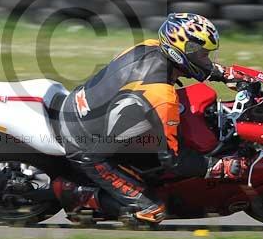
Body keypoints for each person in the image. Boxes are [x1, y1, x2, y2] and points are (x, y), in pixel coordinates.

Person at [56, 12, 252, 225]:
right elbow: (173, 161)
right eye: (202, 54)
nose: (206, 59)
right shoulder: (162, 96)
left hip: (81, 105)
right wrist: (217, 166)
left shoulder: (148, 46)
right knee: (152, 212)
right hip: (86, 147)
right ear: (180, 52)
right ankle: (76, 194)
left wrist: (223, 73)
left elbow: (192, 65)